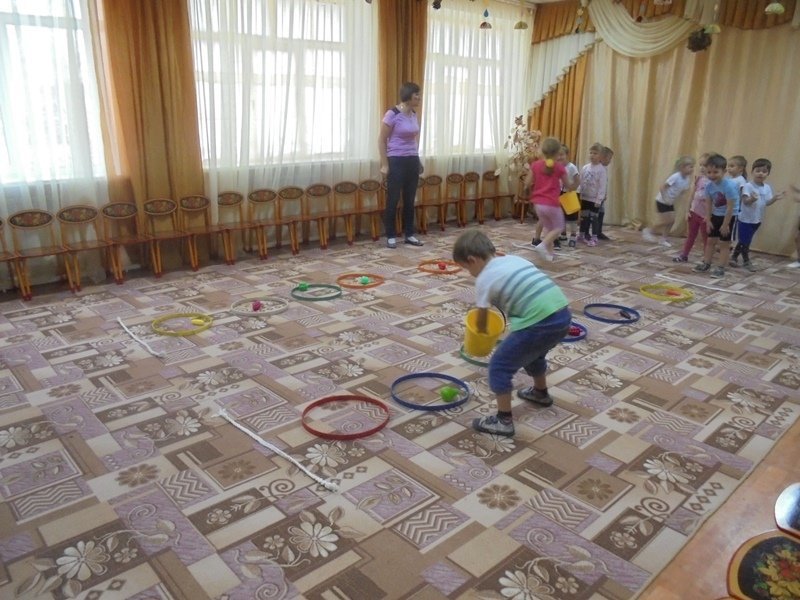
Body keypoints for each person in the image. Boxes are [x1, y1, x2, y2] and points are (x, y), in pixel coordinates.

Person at [453, 229, 571, 437]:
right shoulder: (514, 259)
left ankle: (503, 420)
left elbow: (481, 319)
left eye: (466, 268)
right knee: (534, 354)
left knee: (499, 366)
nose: (469, 273)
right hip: (562, 315)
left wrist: (481, 335)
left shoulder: (484, 278)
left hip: (537, 323)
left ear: (472, 260)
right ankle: (540, 393)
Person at [378, 82, 425, 249]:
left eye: (419, 94)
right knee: (393, 199)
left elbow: (414, 140)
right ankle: (391, 235)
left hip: (412, 159)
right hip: (396, 159)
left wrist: (417, 160)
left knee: (409, 199)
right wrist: (385, 165)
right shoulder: (393, 114)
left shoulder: (413, 114)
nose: (419, 97)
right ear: (408, 96)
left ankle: (409, 234)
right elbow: (381, 140)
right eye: (416, 95)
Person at [730, 158, 784, 271]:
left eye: (764, 171)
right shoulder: (748, 186)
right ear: (752, 171)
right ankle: (746, 261)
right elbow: (745, 201)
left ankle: (734, 257)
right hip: (745, 219)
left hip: (757, 219)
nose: (761, 173)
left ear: (768, 173)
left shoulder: (767, 187)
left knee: (745, 240)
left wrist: (775, 198)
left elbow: (767, 203)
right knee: (745, 241)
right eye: (758, 170)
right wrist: (752, 199)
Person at [692, 153, 740, 278]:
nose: (712, 175)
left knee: (724, 243)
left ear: (724, 171)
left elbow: (730, 207)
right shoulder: (708, 186)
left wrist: (725, 224)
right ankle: (706, 263)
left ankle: (720, 268)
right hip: (716, 215)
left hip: (730, 216)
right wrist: (708, 220)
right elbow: (709, 204)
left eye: (715, 172)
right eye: (709, 172)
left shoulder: (729, 186)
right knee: (710, 241)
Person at [524, 137, 571, 262]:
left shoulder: (535, 165)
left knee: (549, 228)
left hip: (538, 204)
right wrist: (575, 183)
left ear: (542, 151)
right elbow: (568, 185)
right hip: (552, 204)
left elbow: (527, 183)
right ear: (558, 152)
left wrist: (529, 190)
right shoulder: (559, 168)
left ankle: (549, 255)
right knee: (559, 227)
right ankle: (543, 245)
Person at [642, 156, 695, 247]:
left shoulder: (687, 179)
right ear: (682, 167)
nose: (692, 169)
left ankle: (663, 239)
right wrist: (665, 198)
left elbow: (683, 192)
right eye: (690, 167)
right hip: (662, 201)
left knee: (672, 221)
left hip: (670, 202)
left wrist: (685, 200)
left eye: (692, 167)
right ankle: (649, 230)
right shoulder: (675, 176)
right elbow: (662, 187)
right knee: (667, 221)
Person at [673, 153, 711, 263]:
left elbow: (714, 202)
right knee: (690, 235)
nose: (702, 168)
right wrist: (687, 211)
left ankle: (706, 258)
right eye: (700, 165)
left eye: (705, 165)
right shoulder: (698, 179)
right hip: (694, 212)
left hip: (705, 216)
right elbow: (691, 195)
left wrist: (709, 216)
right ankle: (684, 255)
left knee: (706, 238)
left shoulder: (714, 182)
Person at [577, 143, 607, 246]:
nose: (592, 155)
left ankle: (594, 237)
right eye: (591, 153)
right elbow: (580, 181)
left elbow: (602, 186)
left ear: (601, 156)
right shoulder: (585, 167)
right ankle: (581, 235)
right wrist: (579, 194)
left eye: (595, 153)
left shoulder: (602, 170)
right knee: (584, 217)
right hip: (585, 197)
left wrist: (599, 199)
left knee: (594, 218)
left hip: (594, 199)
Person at [597, 146, 614, 241]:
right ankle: (594, 232)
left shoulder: (604, 169)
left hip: (601, 196)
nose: (610, 161)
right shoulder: (598, 169)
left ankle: (598, 232)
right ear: (602, 157)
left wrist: (605, 193)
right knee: (595, 215)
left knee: (601, 213)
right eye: (609, 158)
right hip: (596, 196)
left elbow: (604, 183)